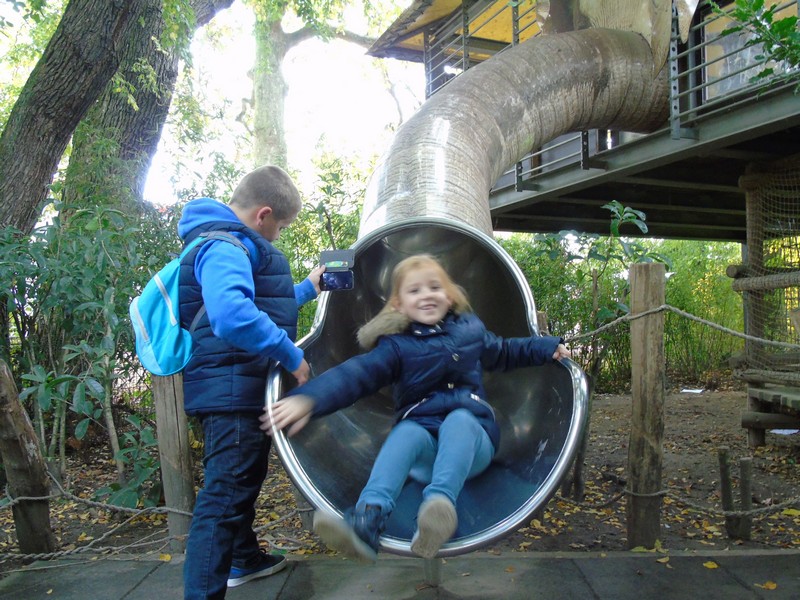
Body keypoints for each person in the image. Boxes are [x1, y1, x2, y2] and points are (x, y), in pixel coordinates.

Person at [261, 254, 570, 562]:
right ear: (399, 305)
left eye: (434, 287)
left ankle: (438, 508)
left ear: (449, 296)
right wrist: (310, 398)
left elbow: (505, 351)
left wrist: (546, 347)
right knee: (407, 432)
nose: (426, 295)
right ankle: (367, 519)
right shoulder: (396, 347)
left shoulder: (470, 331)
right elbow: (357, 374)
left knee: (460, 420)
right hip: (424, 453)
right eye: (414, 290)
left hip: (472, 446)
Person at [178, 165, 323, 599]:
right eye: (281, 226)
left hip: (233, 385)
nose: (278, 235)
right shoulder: (225, 246)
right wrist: (291, 355)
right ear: (264, 215)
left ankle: (242, 558)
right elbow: (231, 314)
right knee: (224, 496)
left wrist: (307, 288)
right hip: (231, 388)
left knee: (240, 480)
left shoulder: (226, 242)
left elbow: (257, 301)